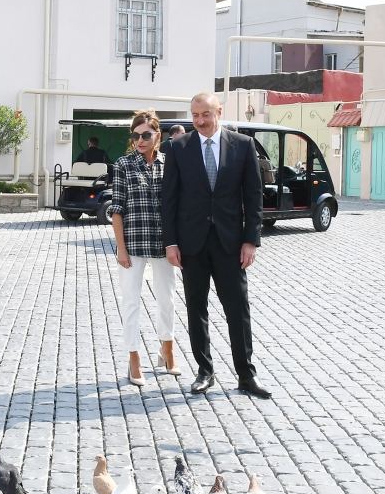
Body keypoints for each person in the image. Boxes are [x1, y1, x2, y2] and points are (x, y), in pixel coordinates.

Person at [161, 92, 271, 399]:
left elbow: (253, 196)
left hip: (230, 244)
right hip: (191, 244)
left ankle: (246, 375)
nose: (199, 121)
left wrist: (251, 240)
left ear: (218, 112)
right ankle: (204, 371)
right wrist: (170, 242)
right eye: (195, 115)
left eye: (205, 114)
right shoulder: (178, 148)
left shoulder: (243, 145)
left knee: (238, 309)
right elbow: (169, 199)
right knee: (197, 308)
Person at [109, 109, 179, 387]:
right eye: (135, 135)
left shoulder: (169, 165)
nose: (140, 139)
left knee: (167, 299)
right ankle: (133, 356)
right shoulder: (123, 165)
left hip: (163, 244)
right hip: (133, 244)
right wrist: (121, 249)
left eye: (146, 134)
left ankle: (167, 348)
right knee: (131, 302)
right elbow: (117, 210)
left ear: (157, 135)